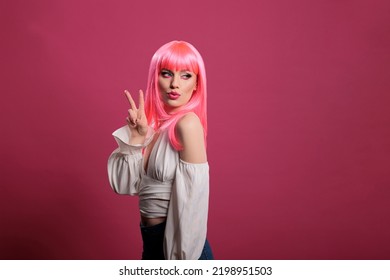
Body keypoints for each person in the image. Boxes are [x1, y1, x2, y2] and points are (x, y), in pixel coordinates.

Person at [107, 41, 214, 260]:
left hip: (179, 249)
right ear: (155, 78)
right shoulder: (155, 129)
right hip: (152, 244)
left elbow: (193, 204)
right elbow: (125, 185)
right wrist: (136, 137)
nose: (175, 84)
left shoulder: (188, 124)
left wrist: (178, 262)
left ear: (196, 84)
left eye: (186, 76)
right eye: (166, 74)